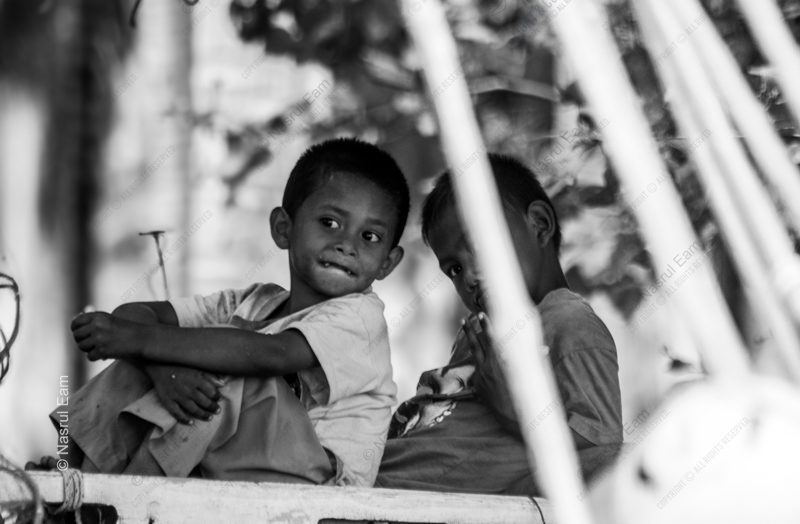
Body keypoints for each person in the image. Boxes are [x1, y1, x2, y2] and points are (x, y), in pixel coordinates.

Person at [51, 137, 409, 487]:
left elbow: (270, 354)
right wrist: (162, 369)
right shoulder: (253, 303)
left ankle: (132, 499)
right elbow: (136, 314)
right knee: (144, 358)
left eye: (370, 237)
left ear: (388, 263)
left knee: (236, 366)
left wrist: (142, 341)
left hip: (325, 482)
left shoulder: (361, 317)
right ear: (283, 228)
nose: (347, 244)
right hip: (248, 463)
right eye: (330, 222)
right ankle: (79, 480)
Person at [376, 154, 623, 495]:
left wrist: (514, 408)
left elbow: (602, 454)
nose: (470, 278)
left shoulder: (568, 322)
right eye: (454, 270)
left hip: (419, 506)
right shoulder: (481, 335)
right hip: (375, 481)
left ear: (539, 224)